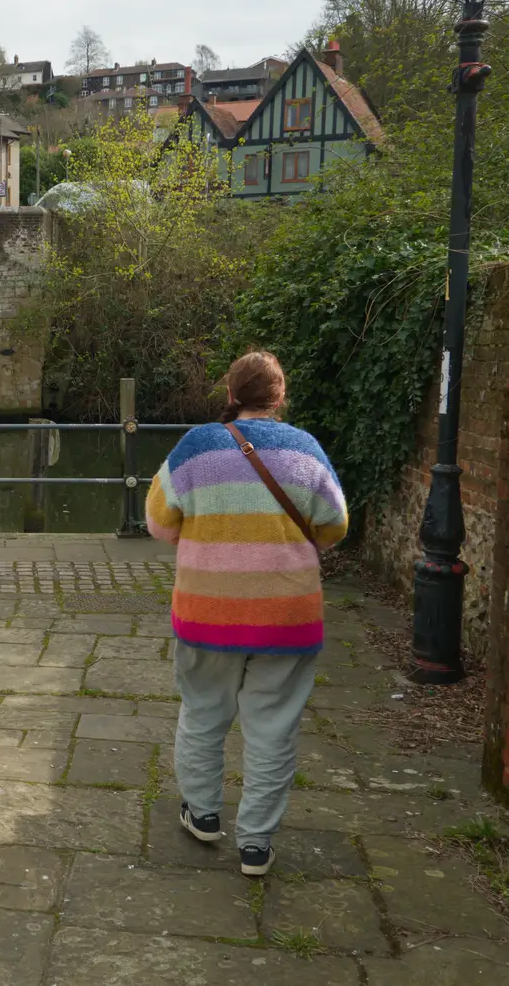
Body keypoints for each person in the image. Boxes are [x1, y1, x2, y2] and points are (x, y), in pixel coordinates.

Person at [145, 351, 348, 876]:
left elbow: (158, 523)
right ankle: (256, 843)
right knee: (274, 728)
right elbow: (335, 525)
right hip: (287, 615)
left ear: (231, 394)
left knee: (204, 714)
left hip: (208, 613)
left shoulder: (196, 447)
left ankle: (204, 814)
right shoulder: (307, 450)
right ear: (280, 397)